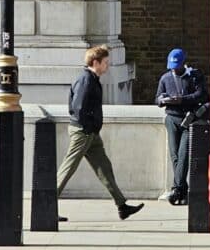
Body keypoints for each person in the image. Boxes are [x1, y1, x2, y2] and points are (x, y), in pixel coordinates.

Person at [57, 45, 144, 221]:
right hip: (84, 132)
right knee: (68, 168)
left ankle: (122, 206)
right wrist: (88, 127)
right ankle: (45, 206)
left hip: (90, 132)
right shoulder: (86, 80)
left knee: (104, 167)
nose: (108, 66)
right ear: (95, 62)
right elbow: (78, 107)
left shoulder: (92, 78)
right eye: (105, 62)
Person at [155, 48, 205, 205]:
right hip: (171, 118)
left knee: (183, 155)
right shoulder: (165, 78)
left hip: (187, 119)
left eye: (177, 66)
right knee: (174, 155)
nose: (174, 69)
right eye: (172, 67)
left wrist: (181, 100)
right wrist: (163, 100)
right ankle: (182, 190)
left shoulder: (194, 76)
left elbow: (200, 95)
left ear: (184, 63)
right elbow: (157, 98)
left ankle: (176, 188)